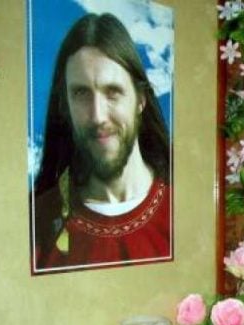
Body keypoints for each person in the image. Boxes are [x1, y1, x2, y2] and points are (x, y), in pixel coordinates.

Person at [31, 12, 171, 273]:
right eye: (81, 93)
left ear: (140, 100)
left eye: (113, 92)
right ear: (65, 106)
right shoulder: (35, 225)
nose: (98, 116)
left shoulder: (181, 207)